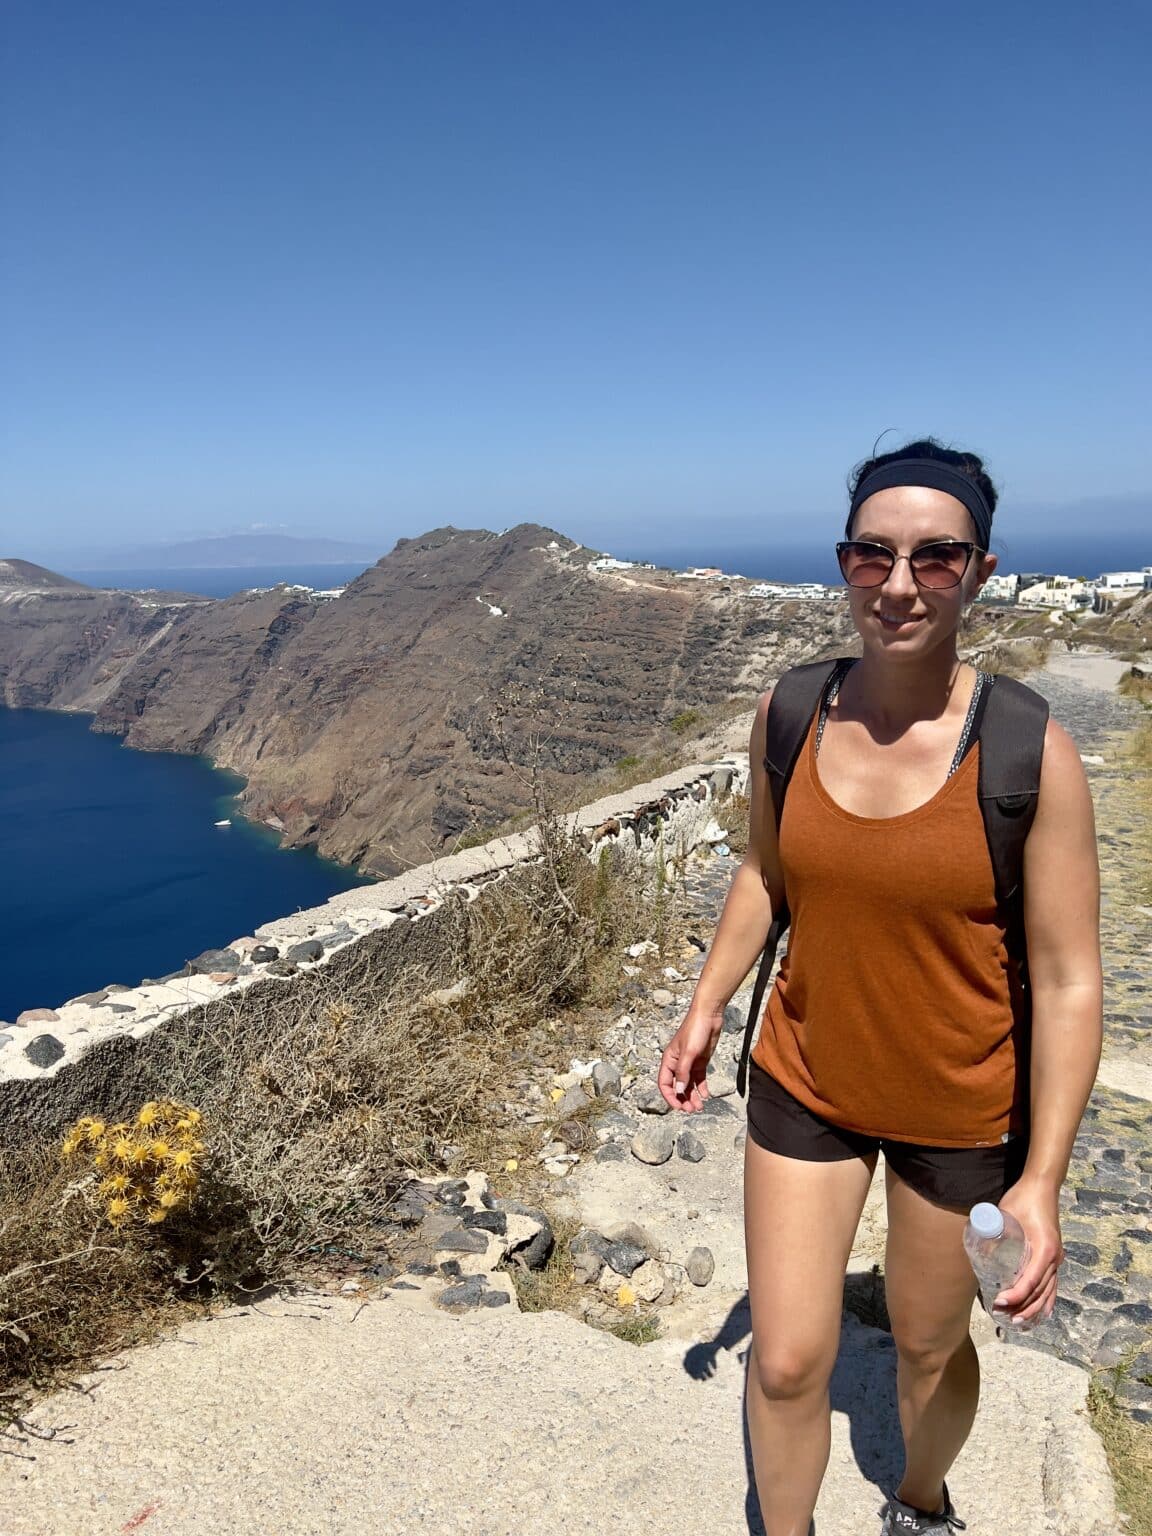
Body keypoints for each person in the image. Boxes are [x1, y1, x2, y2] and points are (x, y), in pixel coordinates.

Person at [658, 438, 1103, 1536]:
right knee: (790, 1360)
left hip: (960, 1108)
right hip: (805, 1078)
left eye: (936, 559)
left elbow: (1068, 977)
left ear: (982, 571)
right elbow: (765, 873)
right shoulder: (791, 713)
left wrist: (1041, 1178)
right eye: (874, 556)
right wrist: (710, 1003)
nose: (900, 586)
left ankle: (919, 1497)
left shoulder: (1026, 749)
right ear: (845, 563)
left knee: (925, 1350)